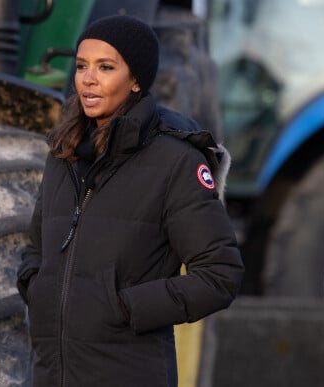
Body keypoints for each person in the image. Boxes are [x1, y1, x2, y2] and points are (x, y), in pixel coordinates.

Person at [16, 14, 244, 387]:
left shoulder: (175, 160)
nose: (88, 79)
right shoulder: (63, 153)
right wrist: (37, 288)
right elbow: (36, 248)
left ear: (136, 79)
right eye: (81, 66)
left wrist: (124, 308)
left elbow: (220, 275)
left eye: (105, 67)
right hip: (49, 375)